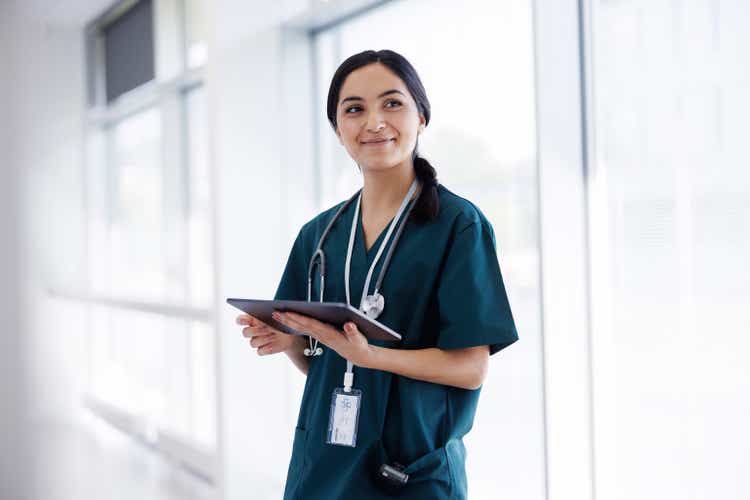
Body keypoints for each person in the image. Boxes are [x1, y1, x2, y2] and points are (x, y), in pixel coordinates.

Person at [235, 49, 519, 499]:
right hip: (325, 469)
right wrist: (291, 345)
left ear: (421, 117)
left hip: (411, 474)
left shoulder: (459, 226)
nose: (373, 122)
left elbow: (471, 368)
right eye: (354, 109)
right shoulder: (319, 236)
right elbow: (328, 366)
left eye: (392, 103)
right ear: (338, 128)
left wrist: (374, 356)